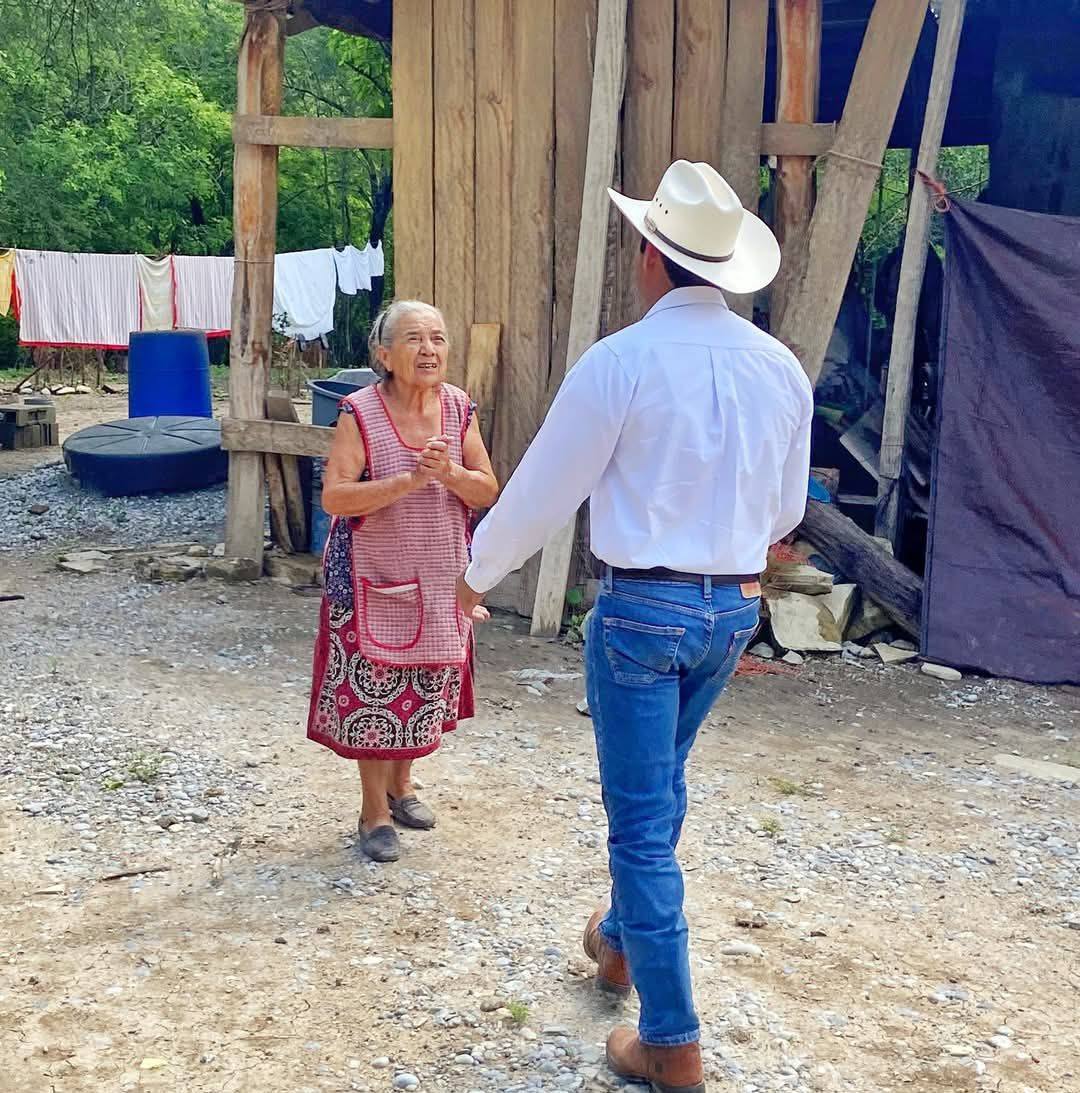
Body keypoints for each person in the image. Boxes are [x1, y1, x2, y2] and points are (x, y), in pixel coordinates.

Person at [458, 161, 813, 1093]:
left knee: (642, 828)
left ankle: (673, 1040)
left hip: (642, 612)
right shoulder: (779, 369)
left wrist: (474, 576)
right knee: (660, 791)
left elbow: (542, 489)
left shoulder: (620, 360)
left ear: (651, 255)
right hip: (732, 611)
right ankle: (618, 946)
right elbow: (781, 514)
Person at [308, 300, 498, 863]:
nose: (429, 350)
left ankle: (402, 785)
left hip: (440, 574)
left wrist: (450, 474)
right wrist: (409, 479)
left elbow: (486, 489)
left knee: (424, 684)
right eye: (414, 339)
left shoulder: (459, 409)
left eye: (437, 339)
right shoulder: (360, 412)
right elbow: (336, 496)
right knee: (373, 694)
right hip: (371, 577)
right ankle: (372, 811)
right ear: (385, 355)